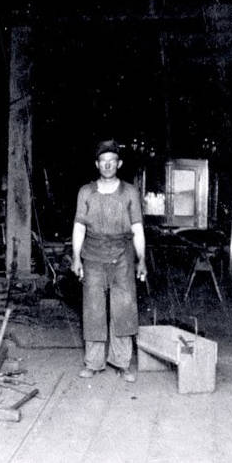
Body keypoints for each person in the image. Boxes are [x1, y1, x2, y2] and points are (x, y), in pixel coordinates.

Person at [71, 139, 147, 383]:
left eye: (112, 161)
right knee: (93, 309)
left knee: (123, 308)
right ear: (97, 164)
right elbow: (79, 227)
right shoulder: (86, 192)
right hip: (92, 254)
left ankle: (123, 363)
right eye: (103, 162)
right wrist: (76, 257)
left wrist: (142, 258)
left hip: (123, 254)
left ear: (119, 164)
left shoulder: (130, 192)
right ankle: (93, 363)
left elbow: (137, 227)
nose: (107, 166)